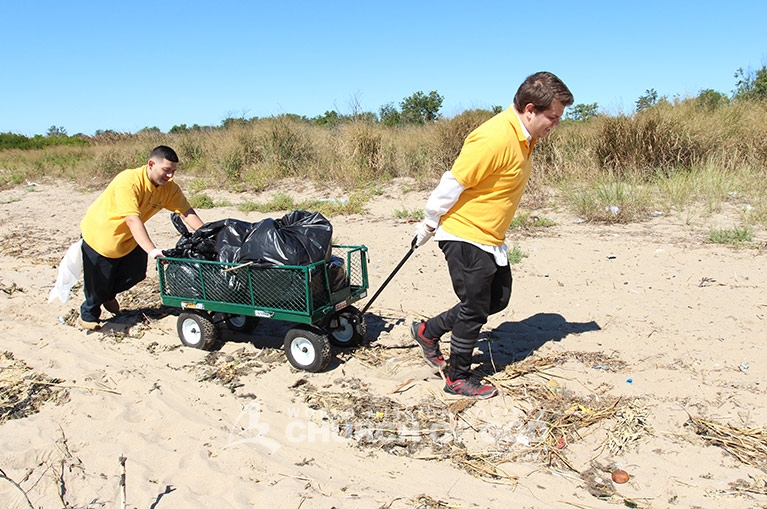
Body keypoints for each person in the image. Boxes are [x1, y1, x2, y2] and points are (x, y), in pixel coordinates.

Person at [411, 72, 573, 398]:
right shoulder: (494, 137)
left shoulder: (525, 137)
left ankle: (428, 331)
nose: (555, 124)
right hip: (464, 233)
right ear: (530, 109)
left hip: (490, 237)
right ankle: (457, 377)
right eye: (552, 117)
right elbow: (453, 181)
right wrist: (429, 223)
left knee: (496, 300)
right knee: (474, 308)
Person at [78, 145, 204, 329]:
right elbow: (132, 219)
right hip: (101, 236)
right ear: (151, 164)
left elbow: (186, 212)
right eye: (166, 170)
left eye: (174, 171)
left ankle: (108, 295)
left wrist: (208, 234)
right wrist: (152, 251)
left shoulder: (169, 189)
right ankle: (88, 315)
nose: (170, 176)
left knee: (136, 274)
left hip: (129, 237)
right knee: (98, 283)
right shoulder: (128, 181)